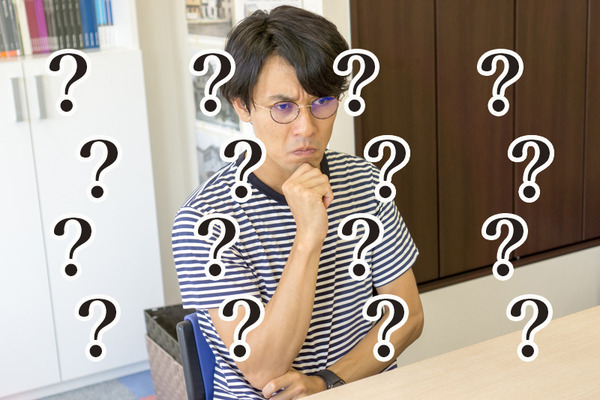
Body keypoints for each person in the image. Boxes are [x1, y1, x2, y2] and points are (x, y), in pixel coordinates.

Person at [172, 6, 424, 399]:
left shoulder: (366, 181)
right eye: (283, 107)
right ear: (242, 105)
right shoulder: (204, 221)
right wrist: (307, 236)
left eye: (322, 101)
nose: (306, 128)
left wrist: (327, 381)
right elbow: (264, 368)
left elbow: (406, 316)